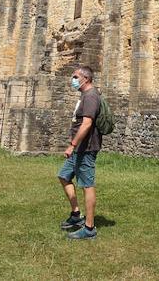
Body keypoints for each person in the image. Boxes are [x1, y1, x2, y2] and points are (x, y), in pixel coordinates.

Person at [58, 65, 102, 240]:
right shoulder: (84, 95)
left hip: (86, 148)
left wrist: (72, 145)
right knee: (63, 176)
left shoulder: (91, 96)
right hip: (79, 148)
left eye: (75, 77)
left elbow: (87, 124)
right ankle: (76, 214)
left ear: (86, 78)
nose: (73, 80)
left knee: (87, 185)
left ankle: (89, 228)